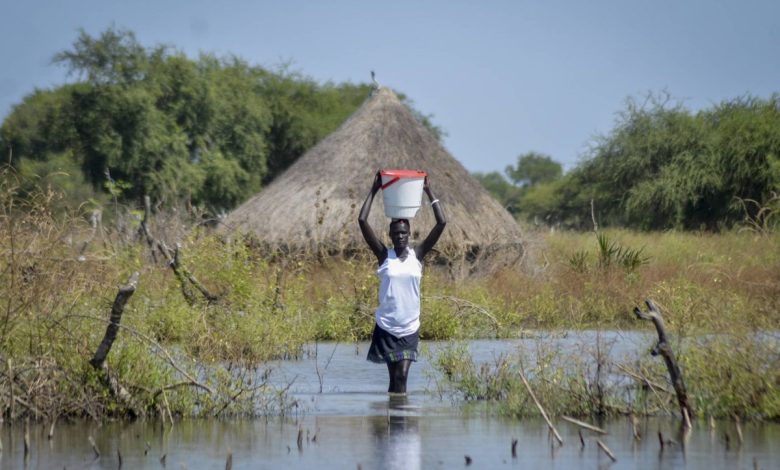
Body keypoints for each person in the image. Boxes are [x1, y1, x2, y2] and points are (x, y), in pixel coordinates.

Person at [358, 171, 446, 394]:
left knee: (402, 375)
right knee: (393, 380)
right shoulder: (383, 256)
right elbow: (361, 220)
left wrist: (427, 190)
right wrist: (374, 189)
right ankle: (394, 420)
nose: (399, 237)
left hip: (409, 327)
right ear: (390, 234)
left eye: (403, 233)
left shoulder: (418, 255)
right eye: (396, 233)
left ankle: (403, 424)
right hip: (387, 326)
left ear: (409, 234)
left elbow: (442, 222)